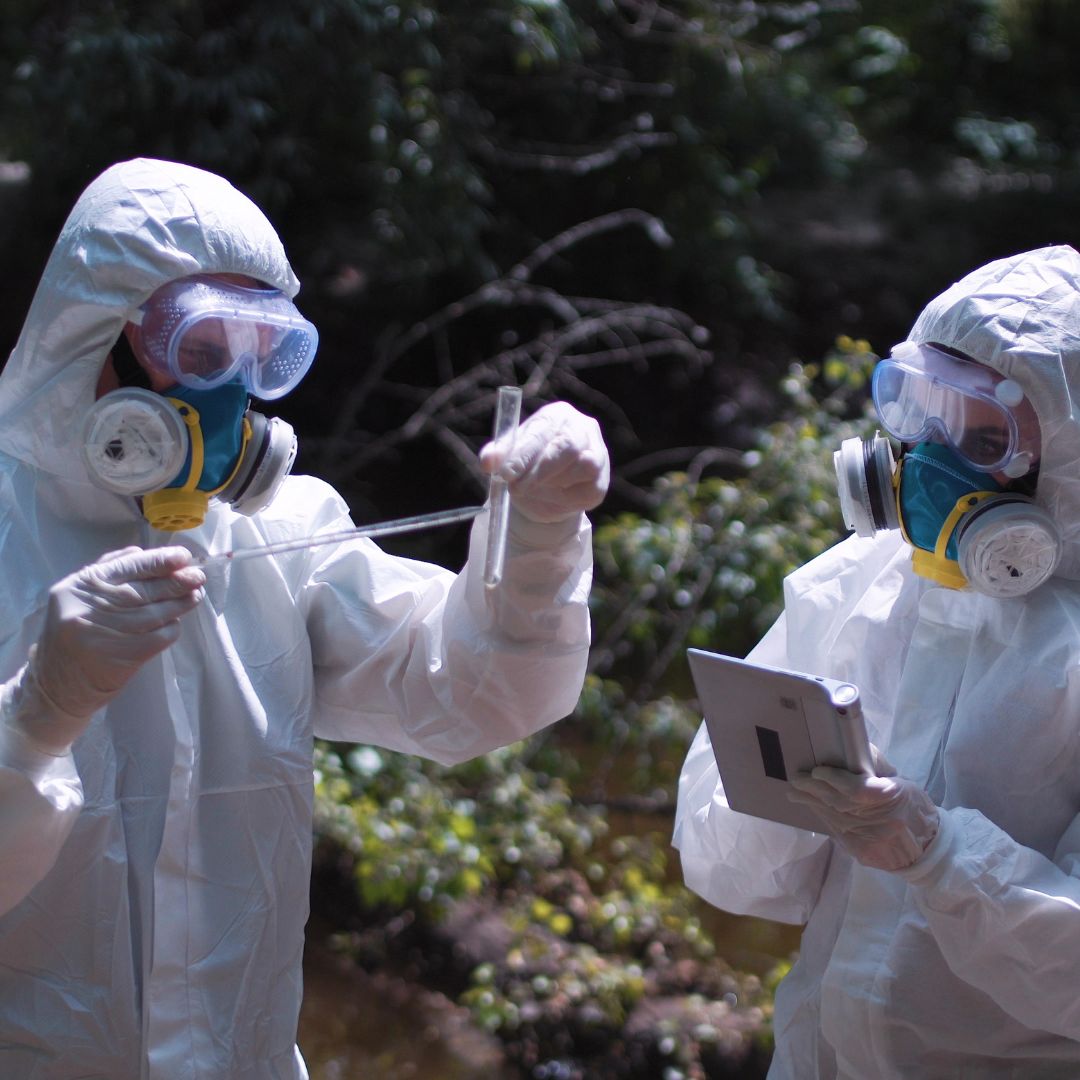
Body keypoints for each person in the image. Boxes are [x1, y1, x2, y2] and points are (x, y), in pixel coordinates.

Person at [0, 157, 610, 1079]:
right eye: (202, 349)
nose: (228, 395)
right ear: (97, 335)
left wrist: (540, 537)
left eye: (259, 356)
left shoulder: (280, 532)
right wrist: (31, 722)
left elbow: (470, 696)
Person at [674, 245, 1080, 1077]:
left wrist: (939, 858)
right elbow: (730, 877)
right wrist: (791, 799)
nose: (932, 454)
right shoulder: (867, 582)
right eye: (920, 406)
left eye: (984, 433)